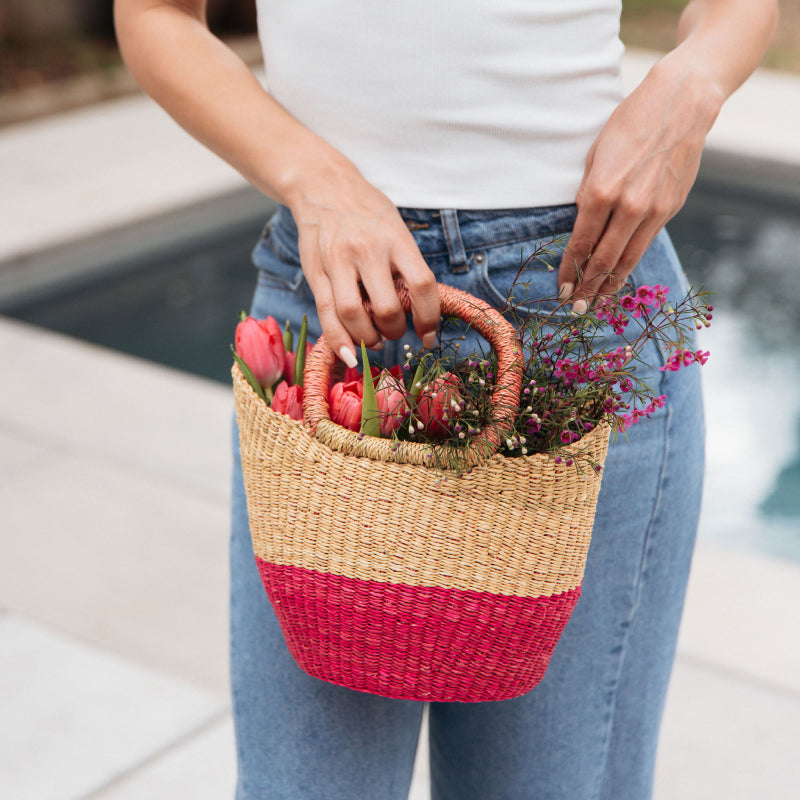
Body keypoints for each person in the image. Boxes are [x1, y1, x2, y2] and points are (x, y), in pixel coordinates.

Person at [115, 1, 777, 798]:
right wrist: (318, 179)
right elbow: (154, 15)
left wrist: (693, 83)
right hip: (333, 293)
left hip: (577, 288)